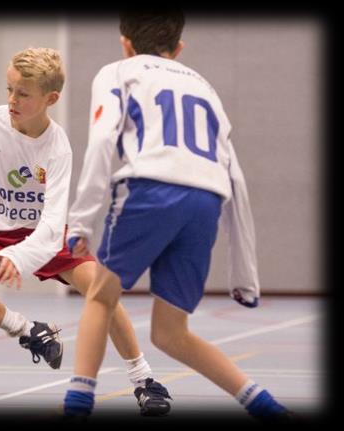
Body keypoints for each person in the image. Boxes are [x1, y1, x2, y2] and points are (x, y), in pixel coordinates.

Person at [62, 10, 292, 421]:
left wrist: (81, 220)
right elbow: (233, 174)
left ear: (125, 42)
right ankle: (267, 407)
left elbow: (101, 142)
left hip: (149, 186)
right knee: (171, 333)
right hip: (207, 198)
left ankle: (76, 405)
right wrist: (246, 275)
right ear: (178, 48)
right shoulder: (204, 87)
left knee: (100, 296)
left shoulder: (118, 71)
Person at [0, 47, 171, 415]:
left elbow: (53, 225)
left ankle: (145, 380)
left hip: (43, 234)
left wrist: (18, 256)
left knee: (104, 291)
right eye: (9, 89)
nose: (11, 100)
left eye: (23, 94)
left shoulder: (57, 147)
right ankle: (28, 330)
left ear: (50, 98)